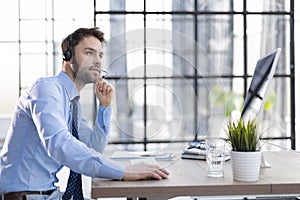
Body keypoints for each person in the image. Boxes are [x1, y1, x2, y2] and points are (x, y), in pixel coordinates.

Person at [0, 27, 169, 200]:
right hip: (25, 196)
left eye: (100, 55)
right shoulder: (46, 90)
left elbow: (92, 148)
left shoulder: (72, 102)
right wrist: (123, 171)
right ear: (68, 56)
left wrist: (105, 107)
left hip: (48, 193)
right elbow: (59, 144)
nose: (98, 61)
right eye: (89, 53)